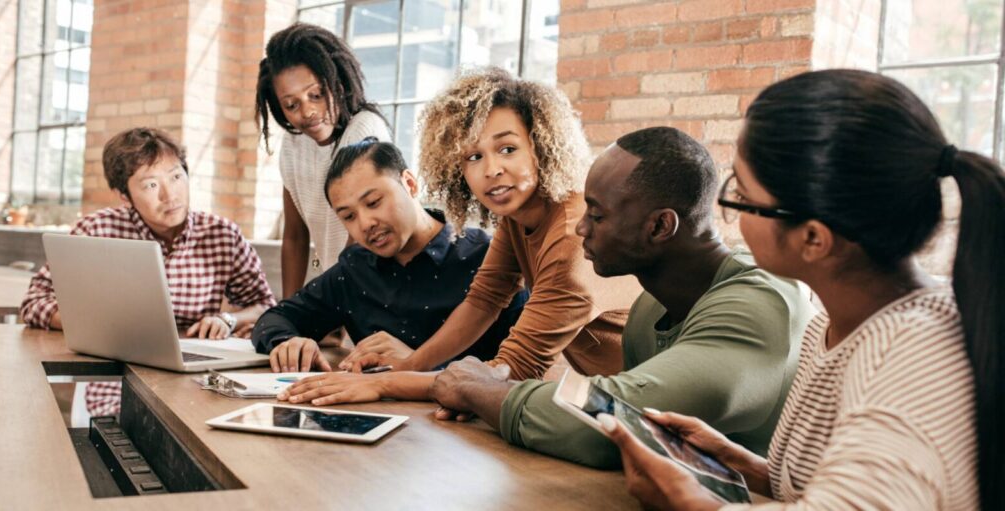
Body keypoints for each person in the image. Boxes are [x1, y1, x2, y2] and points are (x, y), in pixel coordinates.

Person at [598, 69, 1003, 510]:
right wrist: (744, 467)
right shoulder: (830, 326)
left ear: (813, 238)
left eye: (742, 196)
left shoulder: (913, 354)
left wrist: (692, 504)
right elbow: (841, 488)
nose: (732, 215)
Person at [425, 127, 813, 468]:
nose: (580, 227)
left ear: (660, 225)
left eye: (597, 215)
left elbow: (612, 425)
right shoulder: (648, 310)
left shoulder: (761, 303)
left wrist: (477, 389)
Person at [336, 66, 643, 380]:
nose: (491, 169)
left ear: (541, 146)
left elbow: (517, 368)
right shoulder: (517, 216)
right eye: (473, 157)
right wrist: (409, 366)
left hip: (664, 401)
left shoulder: (572, 235)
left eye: (507, 149)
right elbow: (484, 300)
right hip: (625, 390)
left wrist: (385, 383)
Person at [21, 127, 276, 416]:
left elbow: (264, 305)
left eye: (177, 176)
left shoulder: (222, 234)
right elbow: (34, 303)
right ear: (124, 195)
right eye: (151, 185)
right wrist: (94, 323)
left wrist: (227, 319)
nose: (170, 195)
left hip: (195, 376)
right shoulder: (96, 231)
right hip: (116, 375)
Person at [252, 138, 526, 373]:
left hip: (463, 430)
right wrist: (290, 343)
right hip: (369, 421)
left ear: (409, 183)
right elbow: (274, 320)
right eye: (348, 216)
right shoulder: (354, 270)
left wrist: (417, 363)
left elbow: (514, 373)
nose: (365, 223)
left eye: (374, 203)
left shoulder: (488, 259)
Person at [255, 22, 391, 298]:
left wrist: (329, 313)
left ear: (337, 82)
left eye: (316, 95)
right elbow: (294, 237)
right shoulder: (294, 145)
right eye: (292, 105)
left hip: (375, 289)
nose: (308, 112)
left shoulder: (364, 129)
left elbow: (359, 242)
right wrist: (290, 313)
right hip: (338, 291)